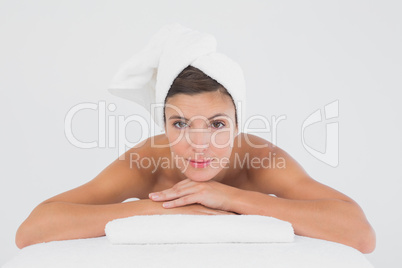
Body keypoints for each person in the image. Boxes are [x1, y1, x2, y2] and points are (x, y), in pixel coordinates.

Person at [15, 26, 376, 254]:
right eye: (180, 123)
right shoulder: (148, 160)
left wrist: (232, 198)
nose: (199, 143)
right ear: (163, 125)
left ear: (238, 124)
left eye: (217, 124)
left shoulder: (260, 158)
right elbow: (31, 230)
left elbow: (360, 234)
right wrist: (163, 207)